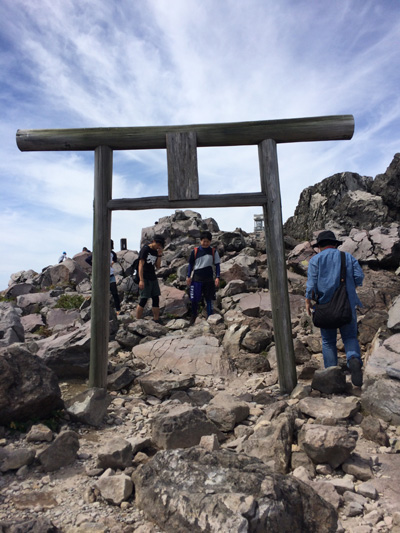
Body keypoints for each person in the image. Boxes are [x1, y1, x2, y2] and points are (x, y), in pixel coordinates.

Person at [305, 230, 364, 386]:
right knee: (350, 337)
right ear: (335, 244)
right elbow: (359, 277)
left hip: (325, 307)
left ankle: (332, 375)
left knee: (328, 341)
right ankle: (353, 360)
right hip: (347, 305)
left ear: (320, 246)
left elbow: (311, 285)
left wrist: (308, 301)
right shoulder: (347, 257)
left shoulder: (315, 260)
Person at [186, 231, 221, 325]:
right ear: (200, 241)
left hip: (209, 279)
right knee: (194, 299)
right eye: (204, 241)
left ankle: (210, 317)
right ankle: (194, 316)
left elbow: (217, 265)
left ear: (210, 241)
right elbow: (190, 264)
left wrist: (217, 277)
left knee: (209, 299)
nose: (205, 243)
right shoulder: (195, 251)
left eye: (207, 241)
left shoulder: (213, 251)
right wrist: (188, 276)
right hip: (196, 278)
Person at [85, 241, 121, 314]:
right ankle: (103, 310)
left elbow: (115, 259)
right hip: (102, 276)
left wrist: (112, 263)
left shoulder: (111, 253)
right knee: (105, 293)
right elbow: (87, 260)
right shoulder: (99, 252)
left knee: (114, 293)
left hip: (109, 275)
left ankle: (117, 310)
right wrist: (95, 266)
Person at [135, 235, 165, 323]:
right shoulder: (145, 249)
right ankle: (137, 321)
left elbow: (158, 266)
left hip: (152, 277)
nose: (158, 246)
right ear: (154, 241)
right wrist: (141, 280)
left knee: (156, 298)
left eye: (160, 245)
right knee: (143, 299)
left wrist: (159, 255)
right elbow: (140, 265)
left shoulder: (155, 251)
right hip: (145, 277)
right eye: (158, 244)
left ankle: (156, 319)